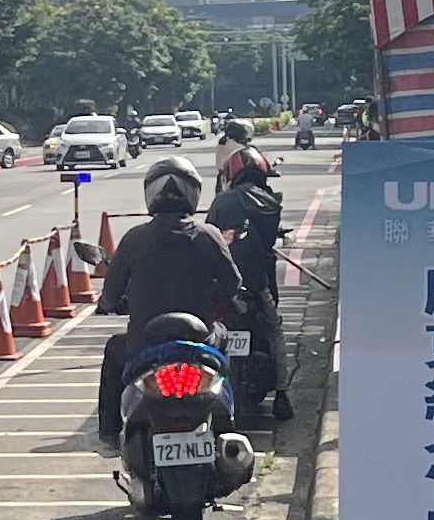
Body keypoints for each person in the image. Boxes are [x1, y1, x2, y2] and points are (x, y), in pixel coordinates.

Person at [94, 155, 250, 444]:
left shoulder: (134, 239)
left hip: (145, 345)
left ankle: (108, 433)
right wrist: (214, 298)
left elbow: (111, 293)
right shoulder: (209, 235)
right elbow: (233, 284)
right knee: (227, 340)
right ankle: (231, 418)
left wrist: (106, 304)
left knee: (113, 350)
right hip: (200, 342)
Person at [209, 121, 294, 420]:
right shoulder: (271, 203)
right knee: (275, 330)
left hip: (222, 284)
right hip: (258, 283)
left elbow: (210, 233)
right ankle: (283, 394)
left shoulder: (221, 201)